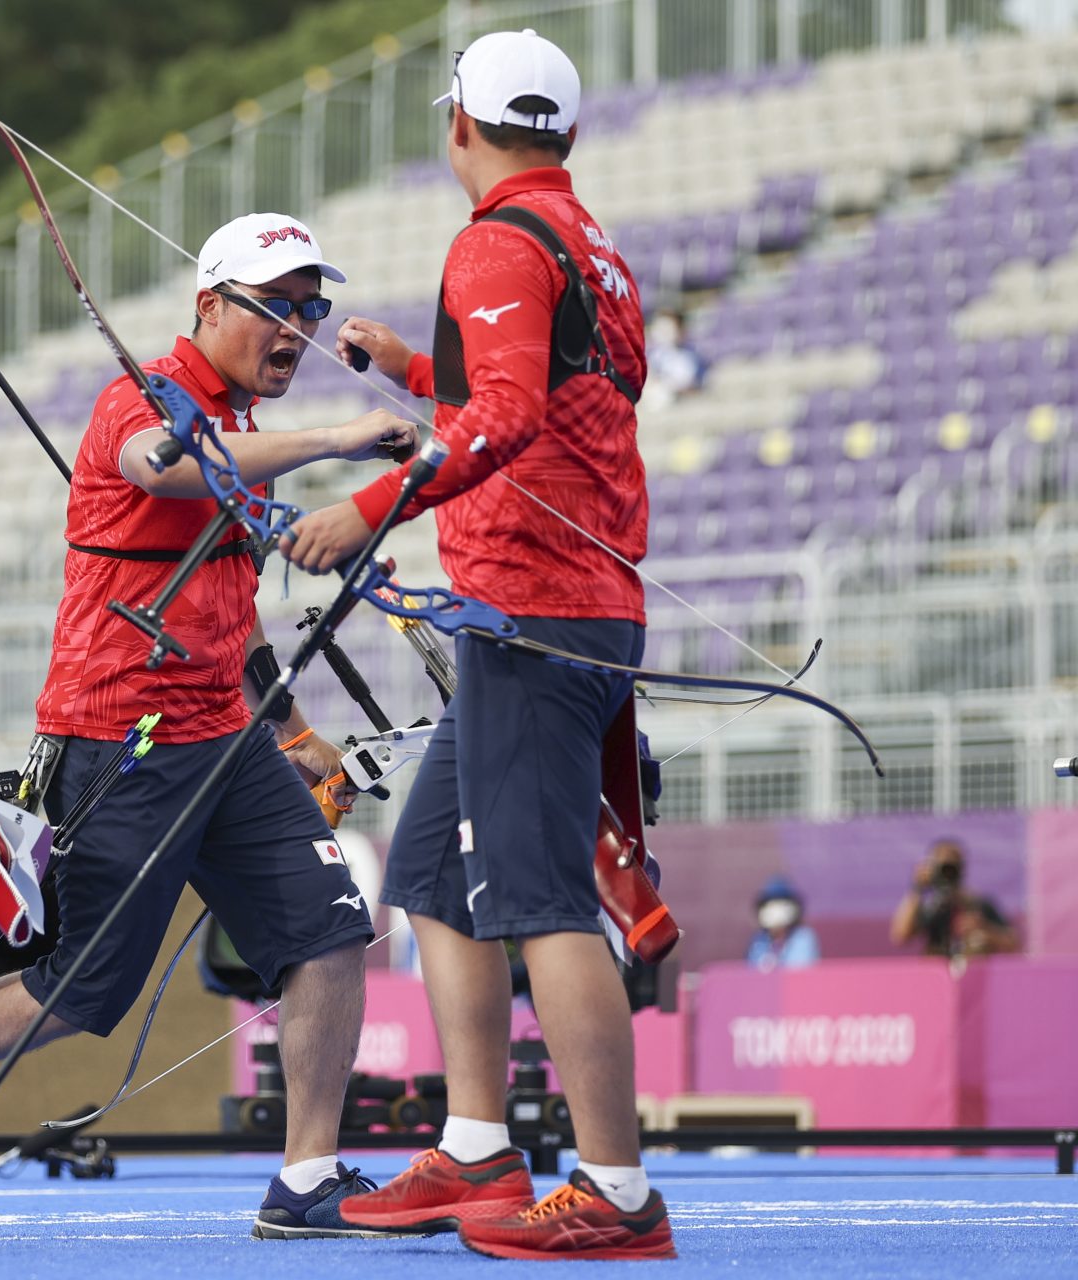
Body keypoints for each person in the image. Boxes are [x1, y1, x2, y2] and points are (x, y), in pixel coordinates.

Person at [0, 212, 417, 1240]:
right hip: (119, 739)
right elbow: (163, 463)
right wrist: (338, 436)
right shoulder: (137, 399)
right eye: (277, 306)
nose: (299, 329)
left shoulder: (235, 418)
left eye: (311, 310)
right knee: (82, 990)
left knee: (331, 930)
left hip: (226, 738)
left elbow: (228, 604)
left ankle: (306, 1177)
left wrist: (291, 724)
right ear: (210, 306)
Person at [281, 29, 675, 1261]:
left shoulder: (500, 238)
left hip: (537, 610)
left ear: (461, 123)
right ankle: (476, 1148)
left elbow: (504, 418)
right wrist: (411, 365)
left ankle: (614, 1189)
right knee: (433, 881)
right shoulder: (589, 243)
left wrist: (366, 508)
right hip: (560, 601)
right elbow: (550, 404)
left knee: (544, 900)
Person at [890, 838, 1018, 959]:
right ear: (933, 868)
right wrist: (917, 888)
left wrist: (984, 929)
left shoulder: (978, 903)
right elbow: (900, 936)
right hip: (939, 974)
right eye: (942, 867)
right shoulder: (931, 906)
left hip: (971, 971)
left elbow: (1014, 944)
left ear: (961, 868)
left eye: (952, 867)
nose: (948, 873)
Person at [746, 876, 819, 971]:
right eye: (770, 907)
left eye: (781, 906)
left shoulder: (803, 937)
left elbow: (799, 970)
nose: (775, 913)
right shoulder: (759, 940)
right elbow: (753, 971)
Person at [641, 309, 706, 412]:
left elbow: (689, 384)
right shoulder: (654, 356)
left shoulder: (688, 357)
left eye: (667, 329)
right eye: (659, 329)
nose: (662, 333)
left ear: (680, 331)